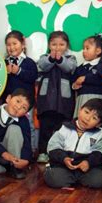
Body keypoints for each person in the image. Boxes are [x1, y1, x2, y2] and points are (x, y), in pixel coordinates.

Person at [44, 99, 102, 189]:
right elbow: (53, 146)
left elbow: (101, 152)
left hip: (87, 168)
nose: (87, 118)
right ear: (80, 110)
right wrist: (64, 159)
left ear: (99, 124)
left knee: (99, 180)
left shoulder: (100, 134)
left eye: (94, 118)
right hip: (64, 165)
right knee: (54, 178)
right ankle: (70, 178)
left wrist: (88, 162)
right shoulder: (64, 128)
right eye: (86, 112)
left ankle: (75, 179)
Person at [36, 31, 77, 163]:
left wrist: (59, 59)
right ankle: (42, 152)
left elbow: (69, 68)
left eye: (61, 44)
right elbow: (42, 65)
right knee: (45, 128)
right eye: (54, 44)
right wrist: (51, 58)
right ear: (49, 45)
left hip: (63, 103)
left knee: (62, 129)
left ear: (67, 46)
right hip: (46, 102)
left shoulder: (71, 59)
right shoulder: (44, 57)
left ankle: (59, 154)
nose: (57, 47)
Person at [71, 35, 102, 119]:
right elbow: (73, 81)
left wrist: (85, 78)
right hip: (81, 99)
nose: (84, 51)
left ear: (98, 51)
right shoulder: (80, 68)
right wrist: (75, 85)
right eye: (83, 49)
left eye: (87, 48)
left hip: (97, 98)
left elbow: (101, 78)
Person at [2, 30, 38, 102]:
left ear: (23, 44)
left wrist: (19, 71)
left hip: (25, 103)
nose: (12, 47)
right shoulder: (3, 63)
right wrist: (5, 73)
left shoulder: (30, 62)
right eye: (8, 45)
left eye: (15, 43)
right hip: (7, 102)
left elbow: (33, 77)